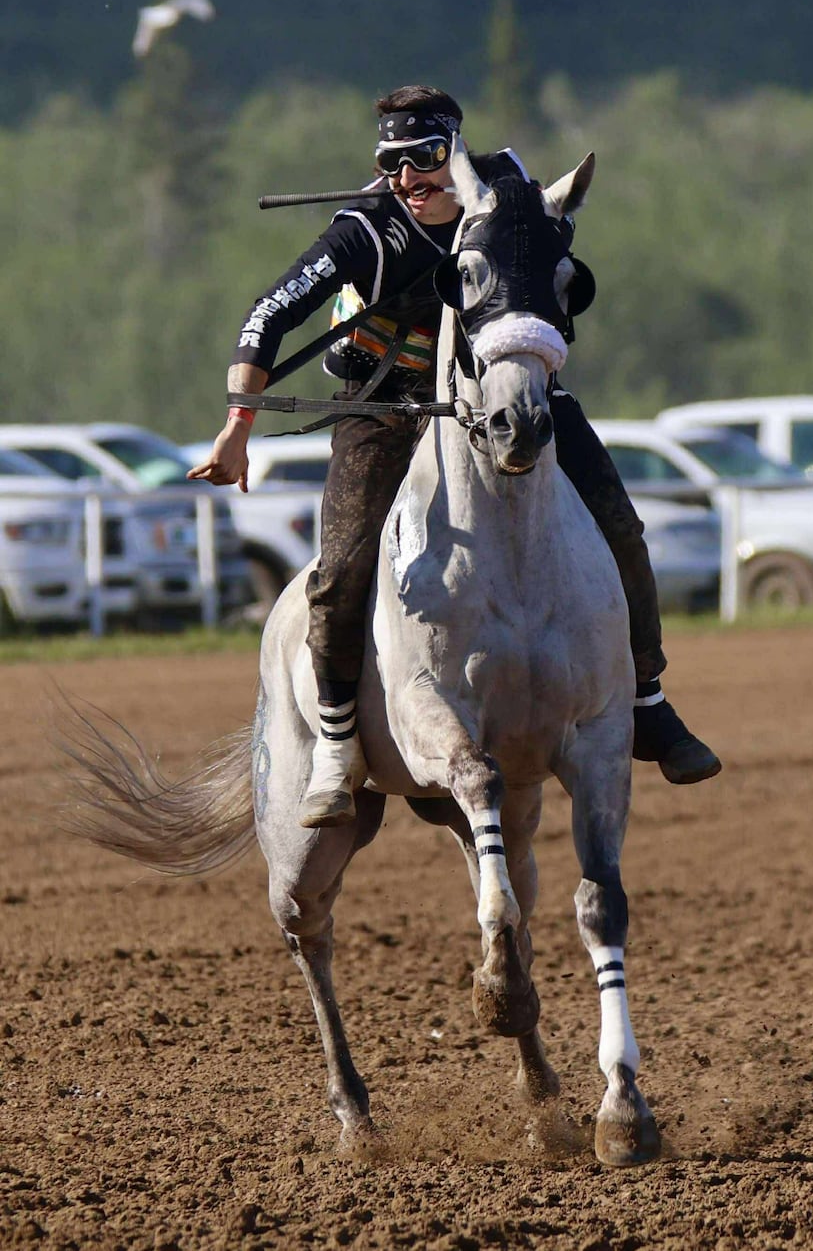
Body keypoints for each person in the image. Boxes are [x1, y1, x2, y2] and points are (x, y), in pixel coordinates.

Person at [188, 84, 721, 826]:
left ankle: (648, 701)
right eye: (391, 164)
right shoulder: (365, 234)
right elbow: (267, 315)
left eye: (425, 159)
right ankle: (340, 742)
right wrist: (237, 425)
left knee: (620, 525)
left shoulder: (506, 192)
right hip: (381, 404)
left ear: (456, 154)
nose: (409, 180)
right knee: (341, 568)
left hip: (494, 391)